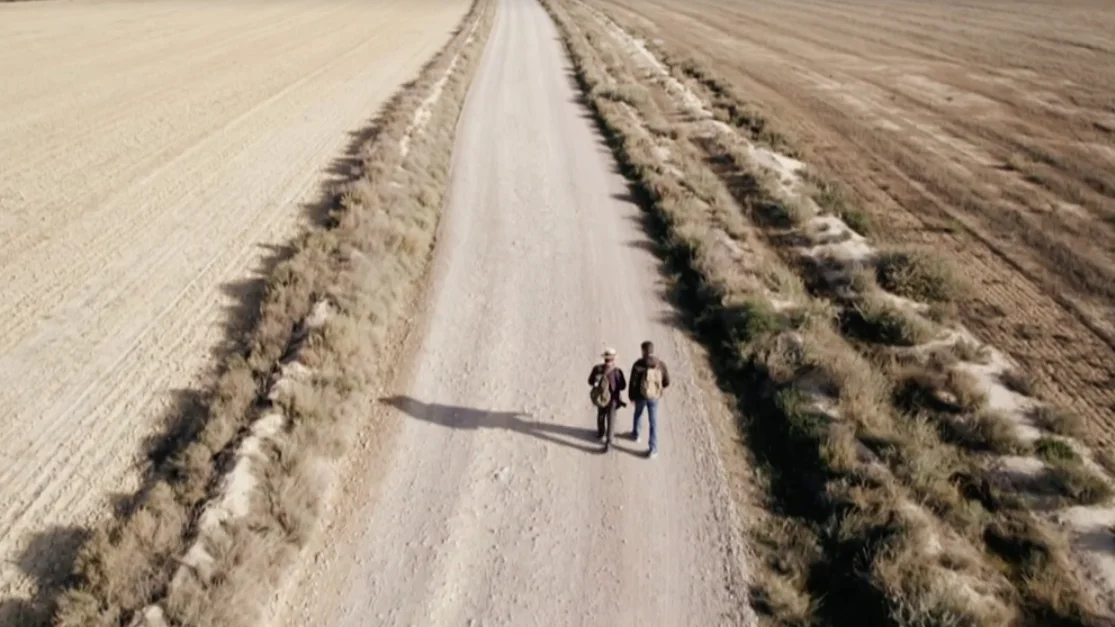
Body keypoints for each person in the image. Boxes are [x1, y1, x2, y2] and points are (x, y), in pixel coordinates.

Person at [627, 340, 670, 458]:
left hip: (640, 396)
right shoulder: (660, 364)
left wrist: (631, 397)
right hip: (654, 398)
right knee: (653, 422)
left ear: (643, 351)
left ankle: (636, 434)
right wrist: (657, 389)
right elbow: (667, 381)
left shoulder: (638, 364)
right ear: (652, 350)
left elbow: (633, 383)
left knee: (638, 414)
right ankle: (653, 449)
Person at [588, 347, 626, 453]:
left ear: (604, 359)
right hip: (613, 399)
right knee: (611, 420)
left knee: (601, 415)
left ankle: (600, 432)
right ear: (613, 359)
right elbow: (623, 386)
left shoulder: (597, 369)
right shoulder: (617, 372)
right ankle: (608, 442)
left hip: (601, 398)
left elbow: (590, 381)